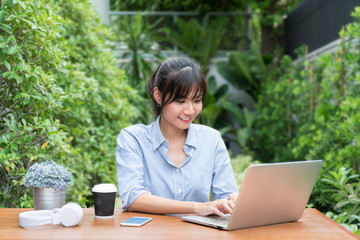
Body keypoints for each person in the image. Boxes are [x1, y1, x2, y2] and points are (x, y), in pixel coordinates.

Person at [116, 57, 238, 217]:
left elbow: (226, 194)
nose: (190, 110)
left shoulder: (211, 139)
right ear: (158, 96)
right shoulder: (133, 139)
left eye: (197, 100)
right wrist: (197, 207)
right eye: (180, 101)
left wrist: (233, 199)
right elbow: (133, 198)